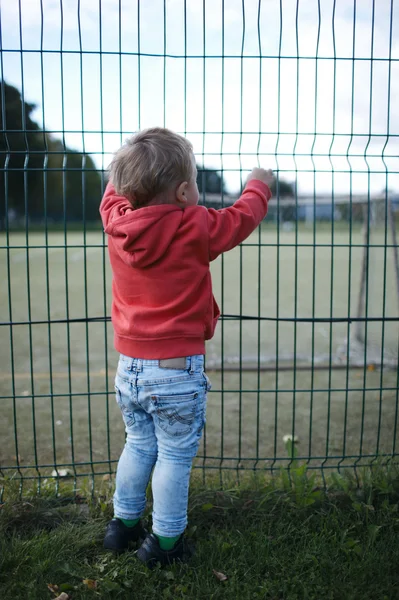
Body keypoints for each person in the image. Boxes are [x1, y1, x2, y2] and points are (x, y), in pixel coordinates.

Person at [100, 127, 273, 567]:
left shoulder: (116, 220)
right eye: (195, 182)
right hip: (176, 371)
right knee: (174, 456)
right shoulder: (195, 226)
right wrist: (259, 184)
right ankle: (166, 543)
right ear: (182, 192)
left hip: (130, 369)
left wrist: (130, 167)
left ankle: (121, 526)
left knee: (138, 444)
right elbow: (242, 217)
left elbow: (111, 194)